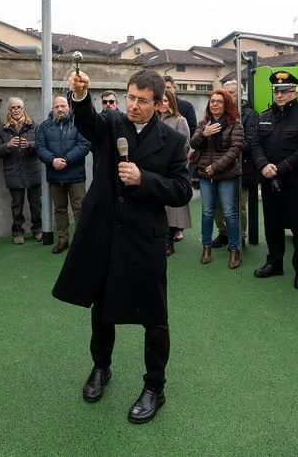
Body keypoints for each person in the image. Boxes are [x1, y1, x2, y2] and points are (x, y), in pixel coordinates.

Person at [52, 69, 192, 425]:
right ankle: (101, 367)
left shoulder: (173, 141)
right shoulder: (112, 124)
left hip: (144, 238)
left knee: (154, 317)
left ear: (159, 104)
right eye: (130, 97)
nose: (133, 105)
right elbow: (88, 124)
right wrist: (80, 97)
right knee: (101, 306)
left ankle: (154, 387)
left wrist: (144, 179)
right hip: (103, 234)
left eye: (142, 100)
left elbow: (181, 190)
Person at [251, 72, 298, 289]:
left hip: (296, 182)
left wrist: (279, 168)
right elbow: (254, 144)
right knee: (271, 225)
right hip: (269, 179)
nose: (280, 95)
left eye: (285, 90)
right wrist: (264, 165)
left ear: (295, 91)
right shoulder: (264, 116)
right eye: (276, 90)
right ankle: (274, 263)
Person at [190, 89, 245, 269]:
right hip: (206, 175)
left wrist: (216, 166)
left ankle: (235, 249)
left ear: (226, 105)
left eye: (219, 101)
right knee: (207, 212)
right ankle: (206, 248)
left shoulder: (234, 124)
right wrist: (203, 134)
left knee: (229, 212)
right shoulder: (203, 123)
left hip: (227, 174)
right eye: (212, 101)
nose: (214, 104)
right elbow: (193, 143)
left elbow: (235, 149)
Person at [35, 96, 91, 254]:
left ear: (69, 107)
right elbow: (39, 147)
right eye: (57, 106)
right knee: (59, 210)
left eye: (63, 106)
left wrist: (66, 160)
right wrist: (52, 160)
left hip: (76, 176)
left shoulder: (78, 123)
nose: (60, 109)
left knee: (80, 209)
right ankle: (63, 240)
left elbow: (84, 144)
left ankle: (81, 242)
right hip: (55, 176)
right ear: (52, 108)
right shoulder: (45, 126)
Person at [210, 80, 258, 248]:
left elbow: (250, 142)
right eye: (226, 93)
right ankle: (223, 233)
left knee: (238, 205)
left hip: (241, 166)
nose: (228, 96)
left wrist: (228, 149)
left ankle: (240, 236)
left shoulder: (249, 114)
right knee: (216, 203)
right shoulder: (217, 114)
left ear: (239, 94)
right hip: (219, 167)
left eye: (232, 93)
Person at [0, 97, 42, 244]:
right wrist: (7, 146)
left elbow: (42, 145)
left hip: (32, 171)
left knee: (36, 204)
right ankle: (17, 232)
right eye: (13, 108)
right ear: (9, 110)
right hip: (13, 172)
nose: (16, 110)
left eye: (19, 107)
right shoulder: (2, 128)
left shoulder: (34, 126)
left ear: (23, 108)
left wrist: (31, 145)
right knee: (17, 205)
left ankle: (38, 230)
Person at [158, 89, 192, 256]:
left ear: (172, 102)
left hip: (172, 169)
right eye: (160, 101)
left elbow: (185, 145)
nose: (163, 104)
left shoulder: (180, 120)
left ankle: (169, 241)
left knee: (173, 209)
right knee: (160, 208)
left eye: (166, 100)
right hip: (156, 169)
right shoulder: (154, 119)